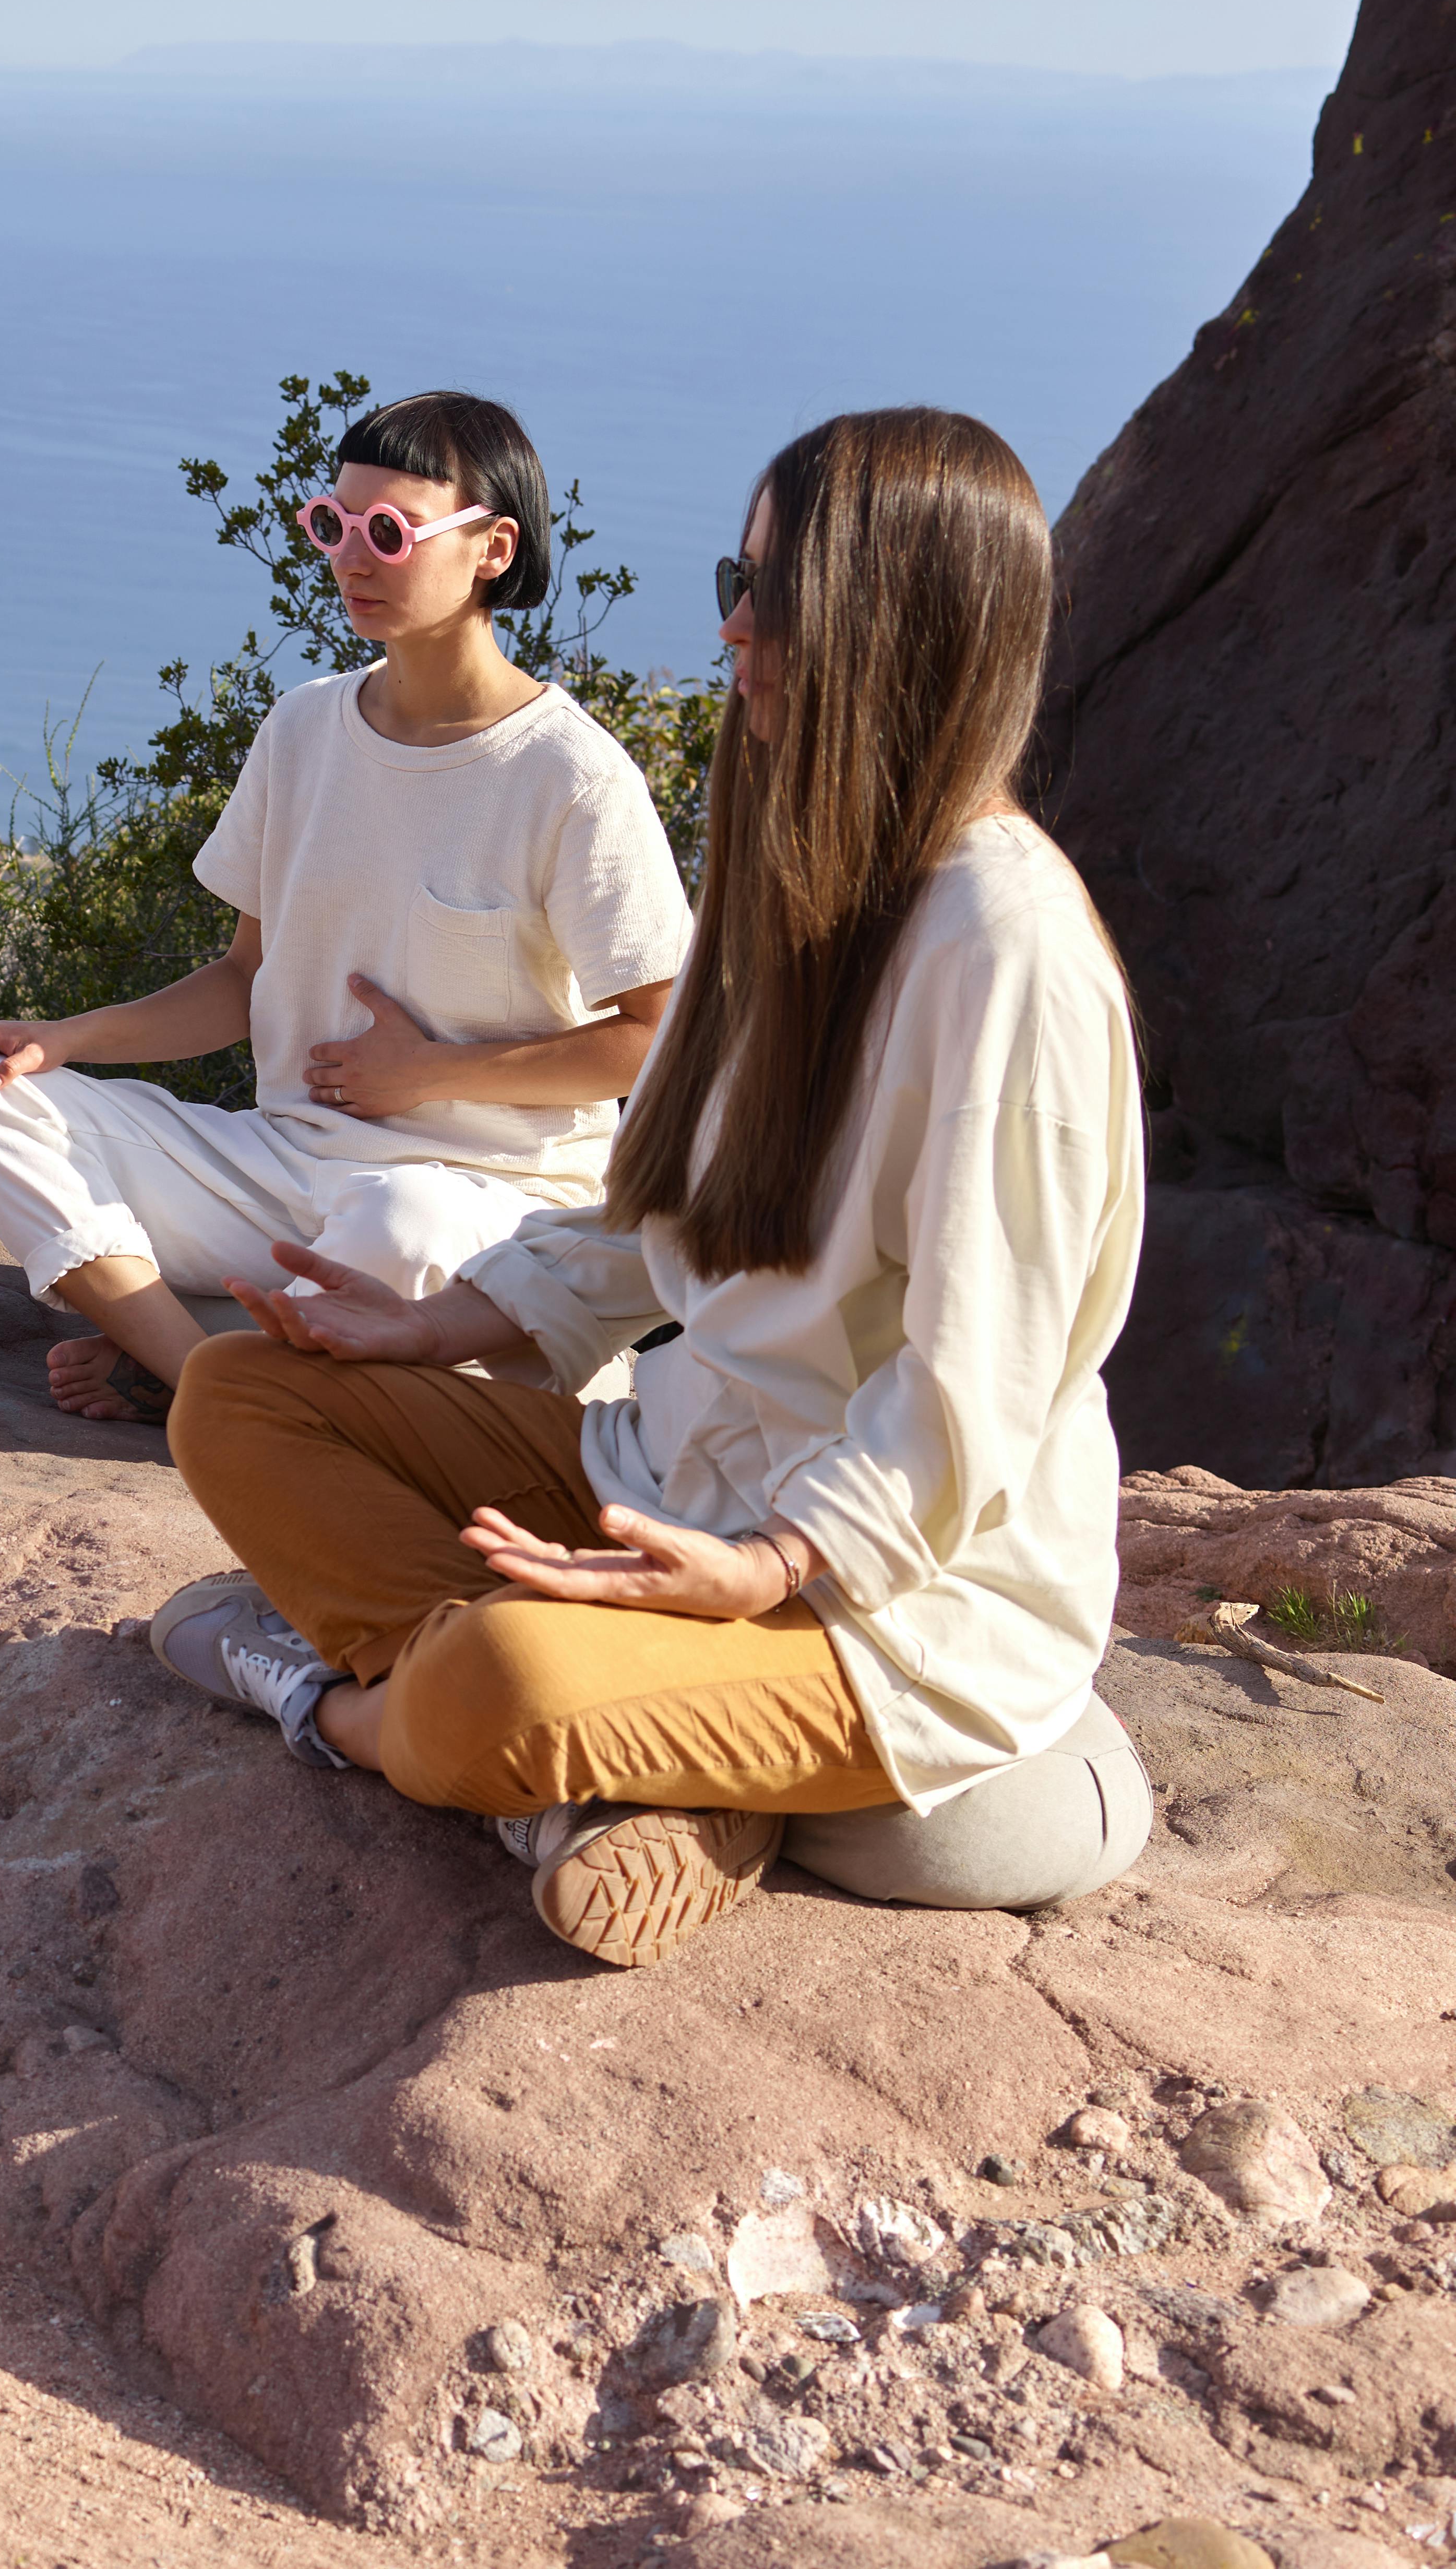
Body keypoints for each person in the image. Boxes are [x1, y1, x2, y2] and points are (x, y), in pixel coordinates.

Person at [147, 408, 1151, 1968]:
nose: (734, 631)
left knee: (505, 1685)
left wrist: (767, 1566)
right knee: (235, 1396)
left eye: (775, 596)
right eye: (730, 582)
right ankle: (638, 1772)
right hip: (669, 1471)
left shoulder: (1000, 948)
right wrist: (444, 1327)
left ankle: (347, 1710)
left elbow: (984, 1381)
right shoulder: (798, 868)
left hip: (873, 1599)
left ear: (899, 625)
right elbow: (654, 1200)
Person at [0, 391, 688, 1423]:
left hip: (486, 1200)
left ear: (492, 549)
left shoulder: (569, 775)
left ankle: (211, 1351)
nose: (350, 558)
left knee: (401, 1227)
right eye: (332, 523)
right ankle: (205, 1373)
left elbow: (656, 1041)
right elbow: (246, 975)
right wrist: (63, 1038)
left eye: (389, 532)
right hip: (286, 1171)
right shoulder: (302, 730)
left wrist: (433, 1074)